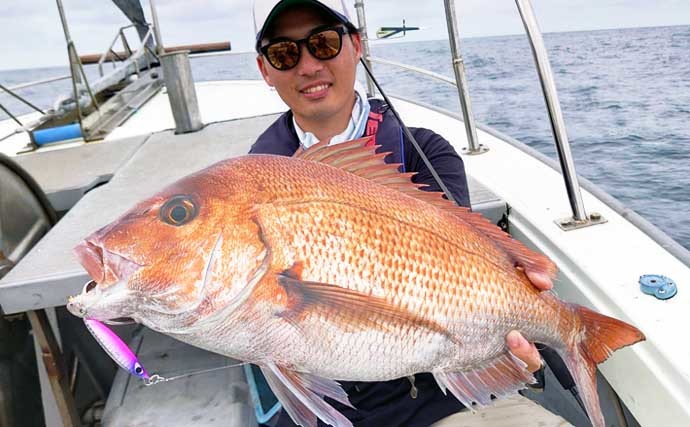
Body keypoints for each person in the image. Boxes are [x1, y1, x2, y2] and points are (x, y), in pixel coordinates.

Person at [250, 0, 550, 425]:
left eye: (323, 43)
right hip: (326, 406)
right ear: (266, 70)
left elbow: (460, 273)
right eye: (285, 53)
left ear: (356, 46)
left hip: (439, 391)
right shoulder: (252, 183)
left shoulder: (426, 152)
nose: (308, 65)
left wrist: (506, 349)